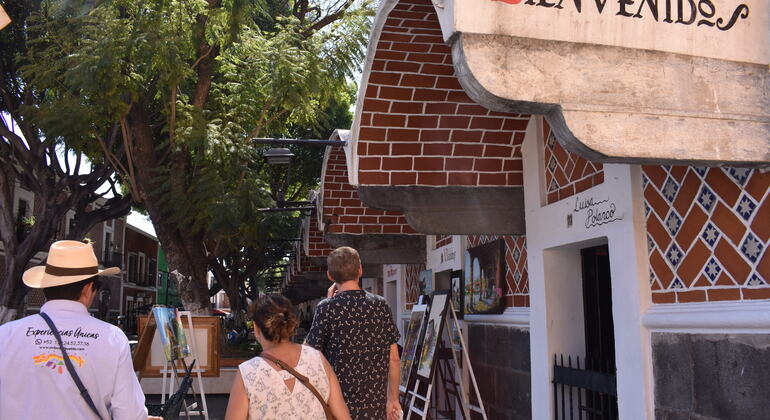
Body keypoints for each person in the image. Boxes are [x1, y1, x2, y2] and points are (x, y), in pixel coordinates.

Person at [0, 240, 157, 420]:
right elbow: (130, 415)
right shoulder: (112, 339)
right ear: (88, 289)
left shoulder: (6, 334)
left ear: (45, 286)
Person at [306, 247, 402, 420]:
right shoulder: (381, 305)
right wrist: (393, 399)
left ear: (330, 275)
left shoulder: (327, 308)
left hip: (337, 406)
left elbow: (307, 354)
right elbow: (394, 358)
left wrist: (328, 300)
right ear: (360, 270)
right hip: (375, 406)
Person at [224, 294, 351, 420]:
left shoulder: (248, 372)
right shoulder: (318, 359)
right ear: (291, 324)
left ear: (256, 328)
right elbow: (343, 415)